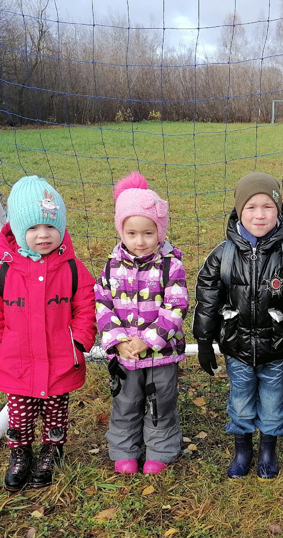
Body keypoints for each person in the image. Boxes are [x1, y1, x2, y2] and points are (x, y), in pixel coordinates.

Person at [0, 175, 96, 492]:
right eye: (33, 228)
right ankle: (20, 453)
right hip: (17, 361)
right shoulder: (2, 267)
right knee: (20, 415)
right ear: (16, 228)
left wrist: (80, 340)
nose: (43, 235)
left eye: (50, 227)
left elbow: (87, 304)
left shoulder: (71, 268)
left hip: (60, 361)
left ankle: (52, 451)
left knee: (56, 413)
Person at [192, 172, 283, 480]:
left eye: (267, 206)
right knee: (240, 401)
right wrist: (204, 342)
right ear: (239, 211)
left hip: (277, 349)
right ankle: (242, 449)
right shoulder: (222, 255)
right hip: (236, 347)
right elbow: (207, 300)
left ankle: (267, 448)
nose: (259, 214)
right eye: (251, 207)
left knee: (273, 403)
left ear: (279, 210)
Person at [95, 172, 189, 476]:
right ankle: (124, 448)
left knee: (160, 402)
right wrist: (119, 340)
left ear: (159, 231)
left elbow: (176, 307)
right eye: (132, 233)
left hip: (161, 354)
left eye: (148, 233)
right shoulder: (110, 267)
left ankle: (160, 448)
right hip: (124, 355)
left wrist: (149, 340)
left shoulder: (170, 266)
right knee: (125, 401)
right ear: (121, 230)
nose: (140, 241)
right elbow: (102, 305)